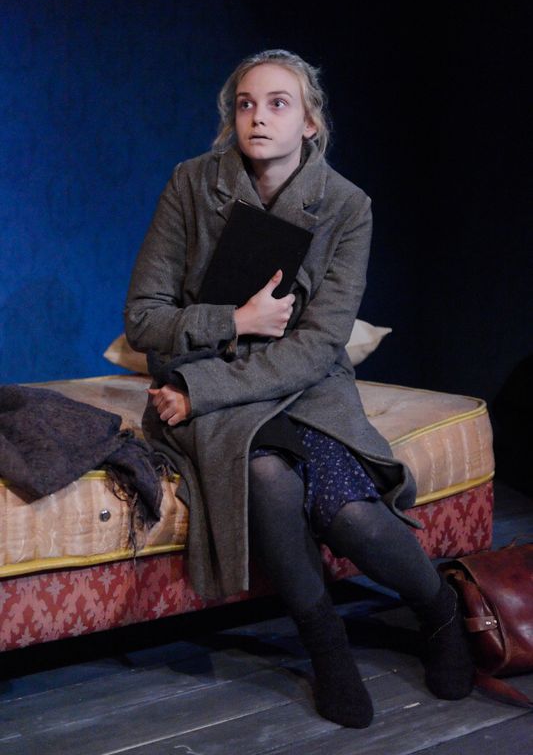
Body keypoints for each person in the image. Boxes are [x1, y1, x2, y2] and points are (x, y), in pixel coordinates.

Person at [124, 49, 474, 728]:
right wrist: (236, 321)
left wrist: (201, 391)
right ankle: (326, 647)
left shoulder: (347, 206)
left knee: (352, 516)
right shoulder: (192, 183)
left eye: (277, 104)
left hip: (297, 384)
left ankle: (438, 611)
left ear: (310, 121)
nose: (258, 117)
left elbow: (317, 346)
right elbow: (142, 318)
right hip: (205, 376)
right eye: (245, 104)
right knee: (265, 472)